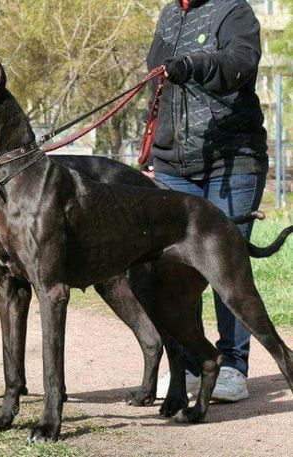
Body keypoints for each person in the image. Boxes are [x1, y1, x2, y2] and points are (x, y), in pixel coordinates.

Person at [145, 0, 269, 402]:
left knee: (224, 268)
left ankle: (233, 365)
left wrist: (194, 64)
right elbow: (157, 86)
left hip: (231, 163)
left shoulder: (234, 11)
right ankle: (193, 366)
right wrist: (151, 153)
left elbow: (239, 63)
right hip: (171, 167)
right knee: (175, 272)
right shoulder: (168, 15)